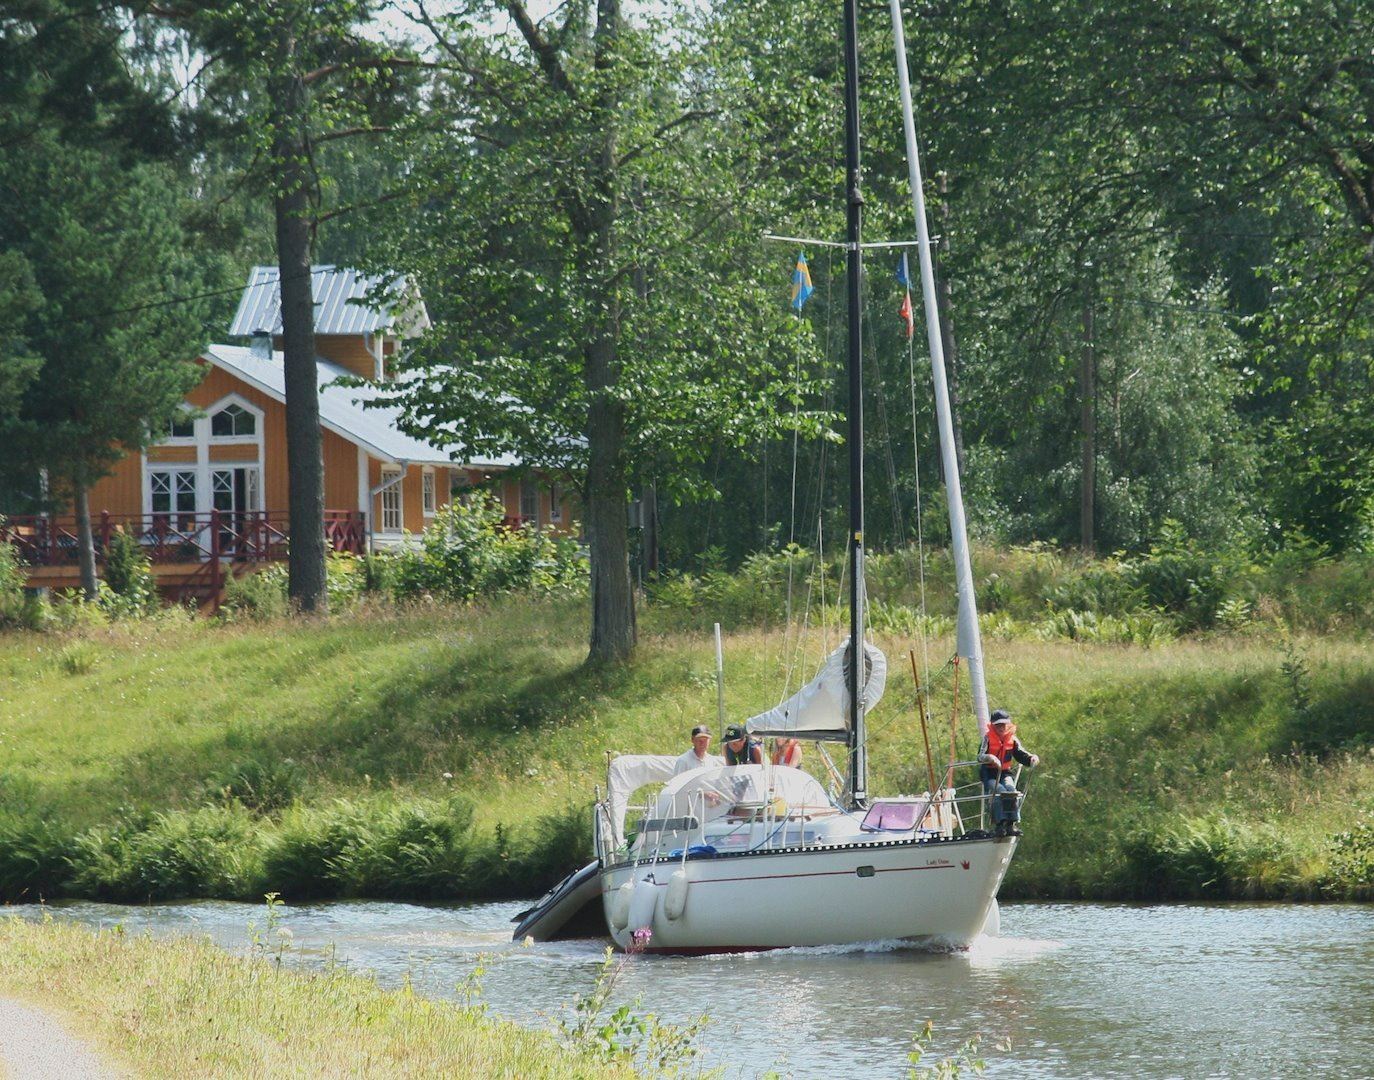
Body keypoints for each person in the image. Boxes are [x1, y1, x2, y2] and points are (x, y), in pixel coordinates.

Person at [978, 709, 1039, 837]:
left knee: (1011, 790)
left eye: (1004, 725)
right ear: (993, 726)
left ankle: (1011, 823)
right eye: (998, 725)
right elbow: (980, 756)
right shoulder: (987, 738)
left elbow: (1021, 754)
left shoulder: (1012, 739)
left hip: (1004, 773)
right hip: (989, 773)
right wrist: (989, 758)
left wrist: (1031, 758)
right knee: (999, 790)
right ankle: (1000, 824)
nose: (1002, 727)